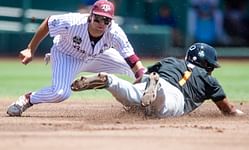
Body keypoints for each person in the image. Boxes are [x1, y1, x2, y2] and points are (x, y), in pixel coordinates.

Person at [7, 0, 145, 116]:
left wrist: (144, 78)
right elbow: (49, 22)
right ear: (91, 15)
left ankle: (142, 101)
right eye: (98, 18)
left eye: (106, 20)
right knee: (60, 93)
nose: (101, 23)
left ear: (111, 21)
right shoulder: (74, 22)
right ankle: (27, 99)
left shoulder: (115, 32)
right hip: (67, 55)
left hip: (97, 56)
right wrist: (31, 49)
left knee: (135, 70)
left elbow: (132, 59)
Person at [71, 43, 245, 118]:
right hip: (177, 97)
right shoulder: (209, 80)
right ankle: (157, 90)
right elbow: (228, 110)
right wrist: (240, 115)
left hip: (154, 79)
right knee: (162, 109)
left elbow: (140, 76)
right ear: (207, 64)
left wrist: (139, 92)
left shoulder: (171, 61)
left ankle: (110, 81)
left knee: (133, 95)